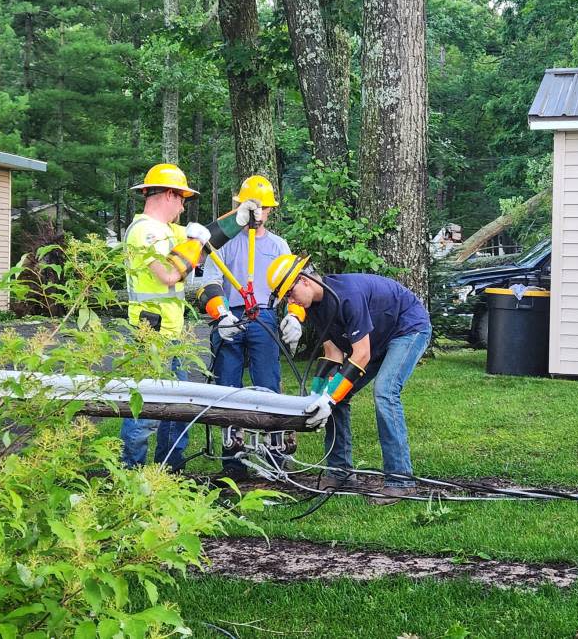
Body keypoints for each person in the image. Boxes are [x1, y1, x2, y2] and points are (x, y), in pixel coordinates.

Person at [120, 163, 262, 469]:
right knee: (144, 410)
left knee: (178, 408)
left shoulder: (166, 230)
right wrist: (197, 242)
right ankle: (129, 474)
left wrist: (238, 219)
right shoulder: (143, 231)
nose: (184, 206)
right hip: (149, 336)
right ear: (169, 194)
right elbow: (170, 272)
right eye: (182, 198)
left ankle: (170, 470)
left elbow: (208, 239)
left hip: (169, 334)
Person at [266, 254, 432, 505]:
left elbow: (361, 354)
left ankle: (401, 482)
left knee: (385, 392)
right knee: (337, 399)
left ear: (305, 281)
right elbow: (333, 353)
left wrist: (330, 396)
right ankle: (340, 473)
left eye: (290, 293)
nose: (291, 301)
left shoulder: (347, 296)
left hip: (407, 328)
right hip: (374, 339)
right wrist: (319, 394)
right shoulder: (315, 308)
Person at [197, 175, 301, 480]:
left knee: (268, 383)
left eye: (263, 208)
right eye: (252, 207)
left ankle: (275, 452)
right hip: (230, 316)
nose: (258, 213)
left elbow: (293, 286)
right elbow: (210, 281)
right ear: (240, 207)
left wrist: (294, 317)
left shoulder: (278, 244)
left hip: (264, 316)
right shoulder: (225, 242)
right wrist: (220, 315)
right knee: (227, 384)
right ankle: (233, 457)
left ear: (269, 211)